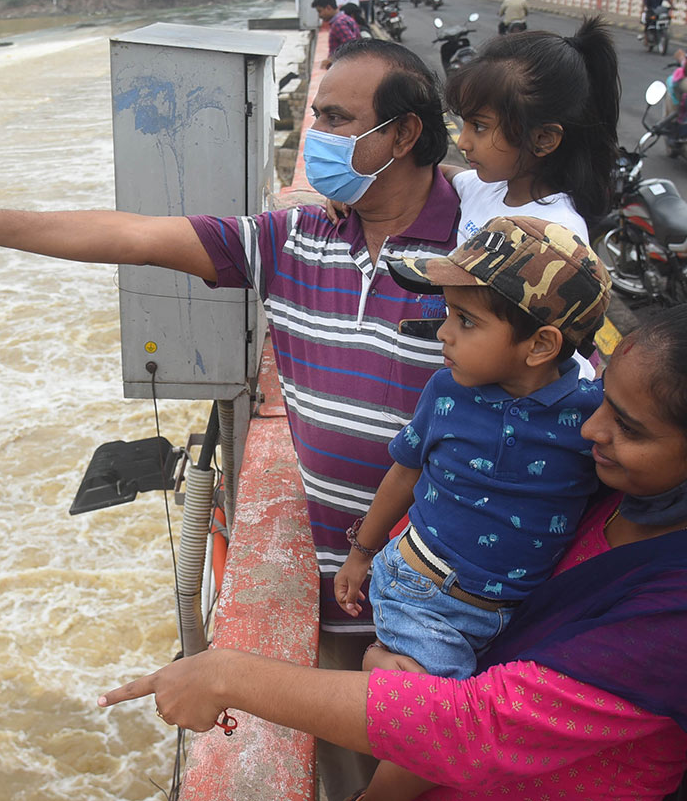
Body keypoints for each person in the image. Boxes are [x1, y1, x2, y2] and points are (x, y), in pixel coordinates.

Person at [0, 38, 459, 801]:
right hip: (339, 591)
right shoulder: (293, 238)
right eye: (314, 115)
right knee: (353, 773)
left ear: (404, 134)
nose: (316, 135)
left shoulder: (476, 252)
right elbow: (133, 235)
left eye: (338, 119)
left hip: (455, 594)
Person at [99, 302, 687, 801]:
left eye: (629, 428)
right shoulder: (617, 493)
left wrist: (228, 675)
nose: (590, 430)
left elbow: (470, 730)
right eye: (601, 402)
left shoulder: (671, 607)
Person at [334, 216, 611, 800]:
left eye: (465, 320)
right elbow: (404, 472)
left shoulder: (592, 418)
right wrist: (359, 554)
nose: (443, 335)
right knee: (445, 727)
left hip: (508, 609)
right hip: (425, 590)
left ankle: (381, 667)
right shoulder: (446, 392)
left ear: (540, 344)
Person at [442, 17, 620, 242]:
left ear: (543, 139)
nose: (462, 143)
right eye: (465, 123)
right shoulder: (488, 189)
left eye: (479, 126)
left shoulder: (557, 236)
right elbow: (445, 174)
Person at [312, 0, 361, 68]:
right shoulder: (345, 18)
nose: (319, 15)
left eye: (320, 11)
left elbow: (352, 47)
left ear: (328, 8)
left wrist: (332, 59)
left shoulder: (338, 24)